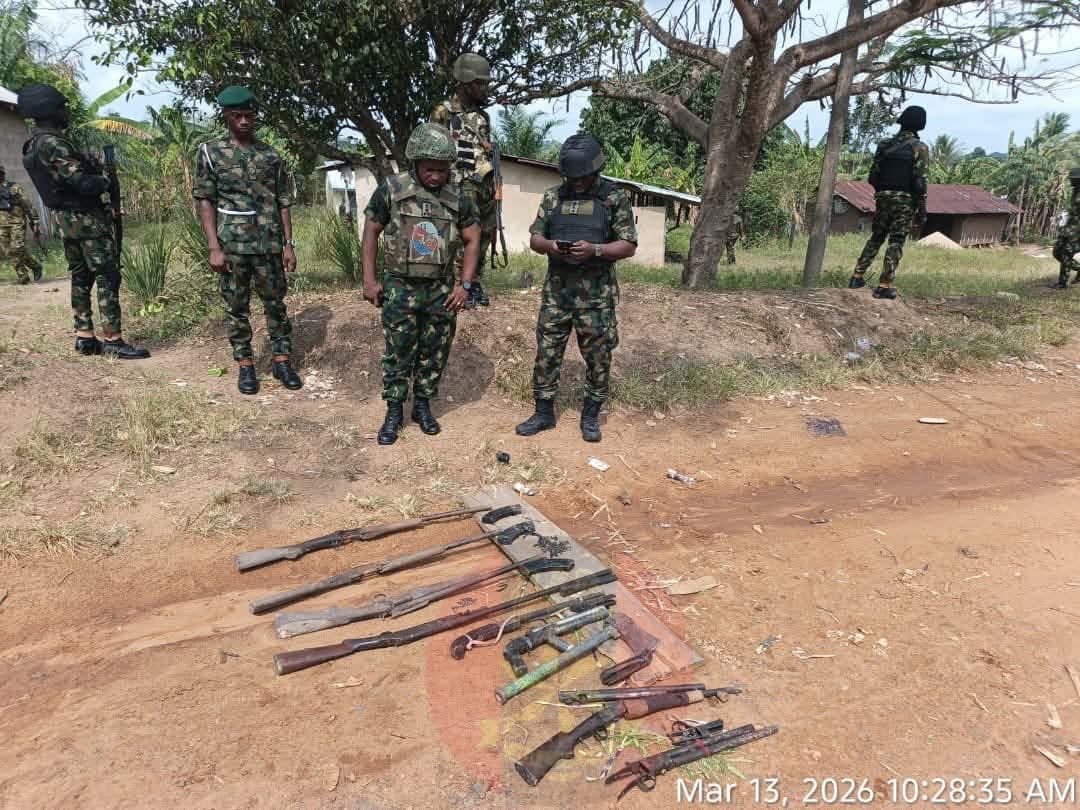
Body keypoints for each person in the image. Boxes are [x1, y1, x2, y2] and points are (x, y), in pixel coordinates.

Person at [361, 122, 481, 446]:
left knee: (435, 351)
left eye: (442, 170)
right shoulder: (392, 189)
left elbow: (473, 238)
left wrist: (465, 285)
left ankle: (423, 406)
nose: (436, 176)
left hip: (441, 291)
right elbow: (371, 230)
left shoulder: (458, 197)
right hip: (400, 287)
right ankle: (394, 411)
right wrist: (369, 280)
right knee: (398, 352)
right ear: (415, 162)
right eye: (430, 169)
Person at [515, 134, 637, 443]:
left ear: (596, 170)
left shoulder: (613, 198)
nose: (578, 183)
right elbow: (535, 238)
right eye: (572, 178)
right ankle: (543, 413)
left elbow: (628, 245)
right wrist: (551, 246)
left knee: (598, 357)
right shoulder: (553, 197)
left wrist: (595, 250)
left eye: (583, 177)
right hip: (557, 295)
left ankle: (590, 416)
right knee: (547, 354)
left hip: (596, 299)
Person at [17, 83, 149, 358]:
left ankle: (85, 337)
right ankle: (113, 339)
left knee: (81, 275)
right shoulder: (53, 143)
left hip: (65, 220)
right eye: (61, 107)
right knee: (107, 275)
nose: (66, 112)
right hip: (85, 219)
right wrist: (104, 179)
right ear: (48, 110)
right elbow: (82, 183)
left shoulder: (34, 144)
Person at [193, 86, 302, 395]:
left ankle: (282, 361)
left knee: (276, 305)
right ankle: (245, 365)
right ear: (226, 116)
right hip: (232, 247)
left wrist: (289, 244)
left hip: (268, 246)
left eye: (249, 116)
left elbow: (283, 201)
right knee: (237, 308)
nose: (243, 121)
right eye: (237, 115)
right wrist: (214, 247)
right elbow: (205, 200)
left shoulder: (271, 155)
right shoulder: (210, 152)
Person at [430, 53, 496, 308]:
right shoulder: (443, 112)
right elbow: (432, 150)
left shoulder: (483, 117)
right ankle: (458, 283)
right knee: (463, 236)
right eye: (481, 83)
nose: (485, 88)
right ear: (467, 83)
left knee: (486, 232)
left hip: (484, 184)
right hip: (457, 185)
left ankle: (474, 281)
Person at [848, 105, 930, 299]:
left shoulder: (884, 145)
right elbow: (919, 182)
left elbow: (872, 177)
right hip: (905, 201)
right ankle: (884, 286)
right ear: (921, 124)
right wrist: (922, 209)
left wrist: (883, 193)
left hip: (882, 198)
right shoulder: (920, 148)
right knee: (896, 241)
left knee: (877, 237)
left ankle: (856, 277)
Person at [0, 164, 43, 284]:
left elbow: (27, 204)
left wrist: (35, 220)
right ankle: (24, 276)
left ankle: (34, 267)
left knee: (16, 248)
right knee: (9, 251)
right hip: (1, 225)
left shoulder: (14, 187)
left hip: (16, 223)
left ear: (2, 174)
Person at [1053, 168, 1080, 288]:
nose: (1071, 181)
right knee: (1057, 252)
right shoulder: (1075, 191)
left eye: (1074, 179)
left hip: (1077, 232)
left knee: (1066, 254)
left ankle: (1062, 283)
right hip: (1068, 228)